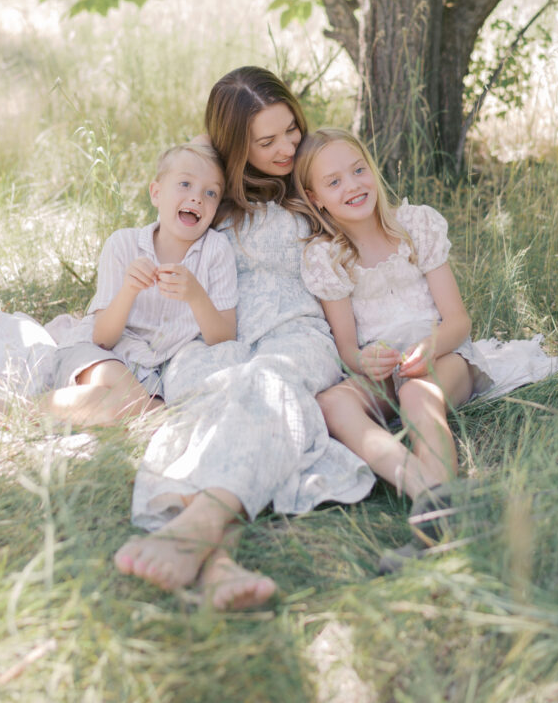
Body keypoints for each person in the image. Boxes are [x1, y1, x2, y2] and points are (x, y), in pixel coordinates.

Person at [113, 68, 375, 609]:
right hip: (208, 337)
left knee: (270, 386)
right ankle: (220, 565)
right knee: (211, 404)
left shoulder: (311, 179)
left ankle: (199, 528)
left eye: (290, 130)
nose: (285, 148)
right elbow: (170, 208)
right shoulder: (209, 185)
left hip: (293, 332)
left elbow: (365, 235)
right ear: (235, 145)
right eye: (265, 140)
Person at [292, 127, 523, 541]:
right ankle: (431, 494)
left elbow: (457, 321)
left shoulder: (415, 226)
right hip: (383, 368)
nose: (353, 185)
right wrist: (363, 361)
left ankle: (435, 513)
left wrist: (430, 348)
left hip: (443, 357)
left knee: (417, 391)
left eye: (358, 170)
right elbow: (347, 347)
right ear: (315, 199)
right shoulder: (326, 256)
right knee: (330, 403)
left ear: (372, 169)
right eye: (333, 182)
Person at [37, 142, 238, 426]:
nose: (197, 198)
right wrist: (128, 290)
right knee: (133, 402)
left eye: (210, 192)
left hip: (152, 374)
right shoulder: (123, 244)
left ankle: (49, 414)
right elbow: (103, 338)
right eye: (184, 184)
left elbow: (224, 337)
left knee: (152, 417)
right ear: (156, 193)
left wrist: (196, 296)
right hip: (99, 355)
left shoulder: (216, 251)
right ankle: (13, 412)